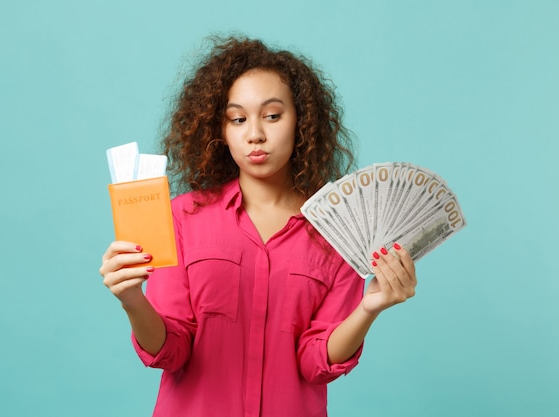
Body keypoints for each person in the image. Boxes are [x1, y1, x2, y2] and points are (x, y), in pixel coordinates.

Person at [99, 36, 417, 417]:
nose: (255, 135)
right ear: (221, 130)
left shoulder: (338, 233)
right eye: (238, 119)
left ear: (301, 121)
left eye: (272, 115)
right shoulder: (181, 218)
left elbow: (316, 364)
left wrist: (369, 308)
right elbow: (171, 351)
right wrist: (132, 299)